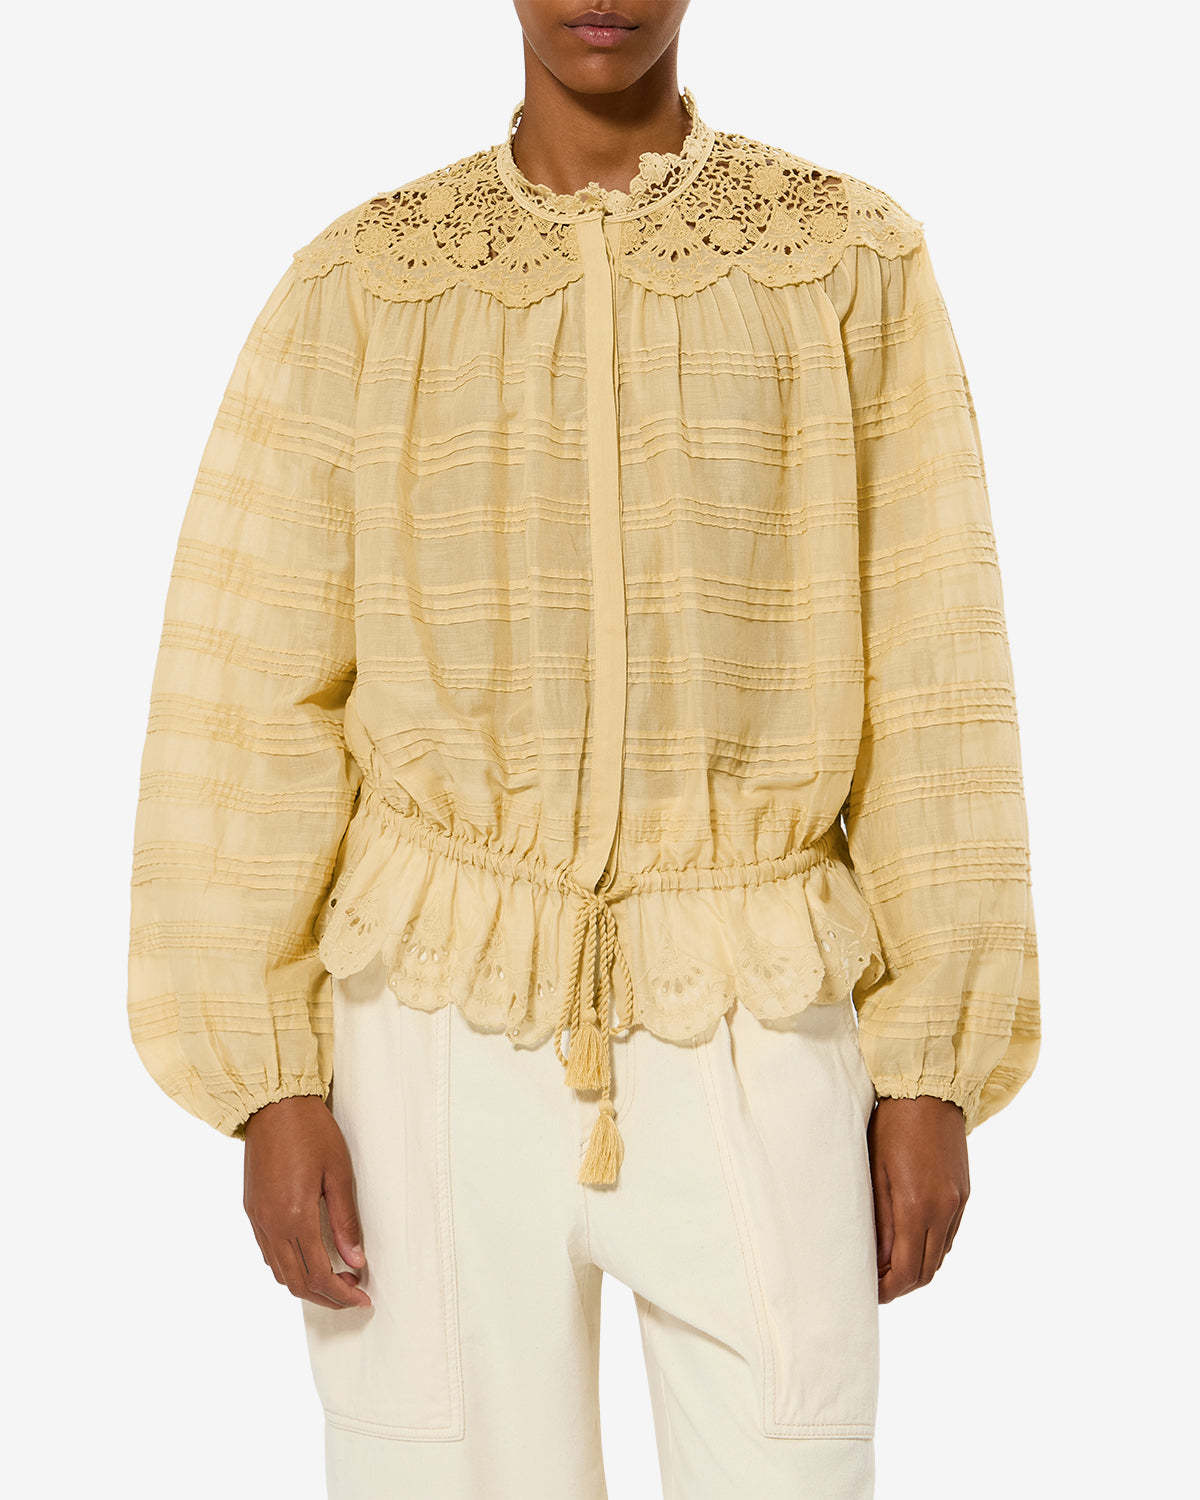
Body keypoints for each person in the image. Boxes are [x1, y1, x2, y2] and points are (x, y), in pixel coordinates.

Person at [126, 3, 1040, 1495]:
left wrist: (934, 1063)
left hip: (762, 1007)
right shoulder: (366, 286)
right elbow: (247, 688)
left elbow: (936, 667)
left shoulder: (846, 262)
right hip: (430, 1016)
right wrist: (269, 1079)